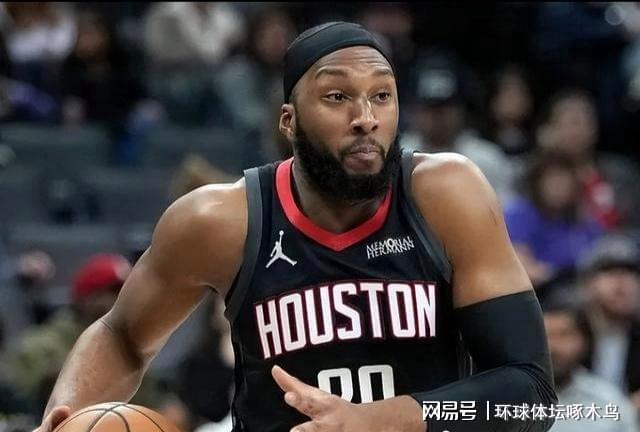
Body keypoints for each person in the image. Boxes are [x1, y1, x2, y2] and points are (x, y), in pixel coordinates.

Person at [36, 22, 556, 432]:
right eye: (337, 97)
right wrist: (67, 414)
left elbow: (531, 394)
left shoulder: (445, 194)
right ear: (288, 121)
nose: (366, 117)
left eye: (382, 95)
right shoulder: (221, 220)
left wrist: (382, 420)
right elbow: (122, 335)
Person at [540, 289, 638, 432]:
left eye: (564, 335)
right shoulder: (512, 399)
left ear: (585, 340)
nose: (552, 347)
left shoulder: (608, 401)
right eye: (544, 336)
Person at [577, 234, 640, 409]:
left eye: (630, 273)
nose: (621, 281)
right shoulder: (571, 331)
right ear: (587, 284)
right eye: (609, 271)